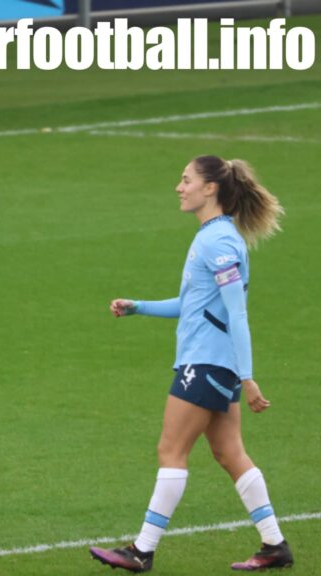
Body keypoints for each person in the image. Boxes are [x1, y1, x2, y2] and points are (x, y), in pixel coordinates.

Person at [90, 156, 292, 572]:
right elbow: (193, 304)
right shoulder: (213, 237)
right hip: (214, 363)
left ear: (210, 188)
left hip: (206, 364)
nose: (179, 187)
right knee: (229, 452)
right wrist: (138, 307)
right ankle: (275, 546)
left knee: (171, 449)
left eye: (186, 180)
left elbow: (237, 313)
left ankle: (141, 551)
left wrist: (248, 377)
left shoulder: (218, 243)